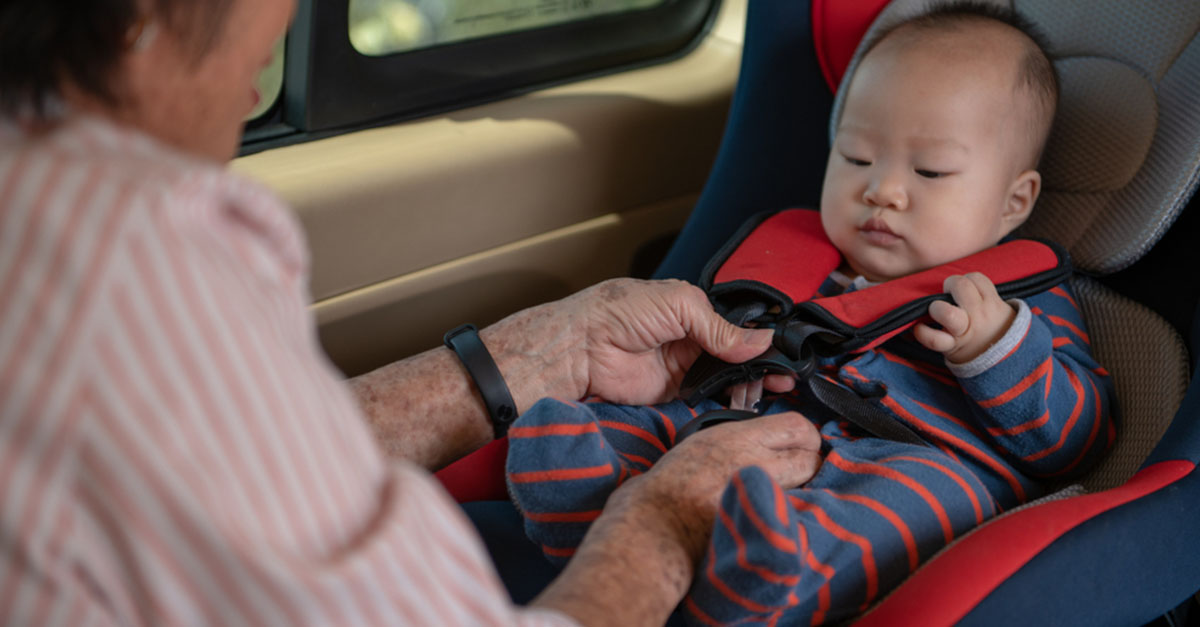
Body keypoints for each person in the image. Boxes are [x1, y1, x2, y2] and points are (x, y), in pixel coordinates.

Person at [0, 1, 828, 625]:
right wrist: (666, 521)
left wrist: (532, 355)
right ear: (140, 18)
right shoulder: (128, 266)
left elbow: (185, 463)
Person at [505, 4, 1116, 625]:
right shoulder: (793, 264)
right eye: (855, 157)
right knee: (654, 407)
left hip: (902, 454)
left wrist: (998, 351)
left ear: (1015, 201)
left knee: (927, 499)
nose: (883, 189)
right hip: (740, 421)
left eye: (930, 170)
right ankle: (581, 495)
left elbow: (1078, 441)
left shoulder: (1020, 300)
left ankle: (773, 570)